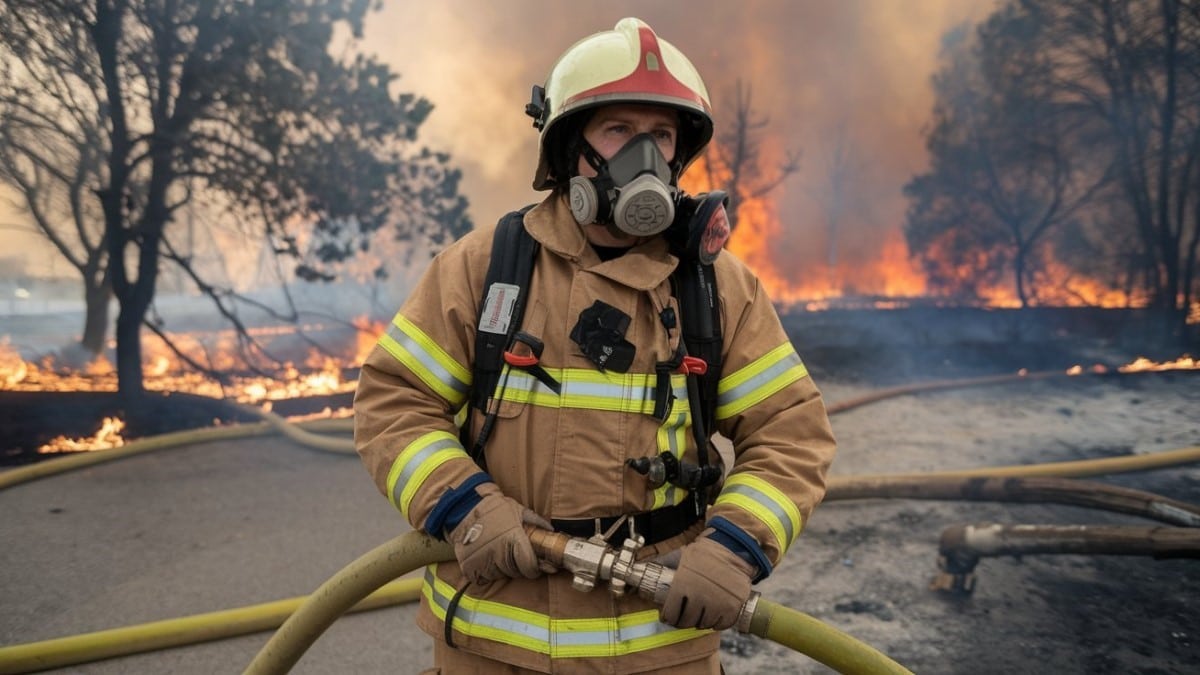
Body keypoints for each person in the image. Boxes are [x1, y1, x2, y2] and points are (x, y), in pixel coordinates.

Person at [354, 17, 836, 674]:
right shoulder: (483, 269)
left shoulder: (718, 288)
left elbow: (790, 432)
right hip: (494, 644)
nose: (646, 155)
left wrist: (735, 545)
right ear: (566, 150)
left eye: (661, 135)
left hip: (659, 649)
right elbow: (395, 401)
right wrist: (462, 504)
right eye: (619, 131)